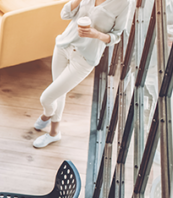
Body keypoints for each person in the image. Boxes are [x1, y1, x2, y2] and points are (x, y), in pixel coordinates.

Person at [33, 0, 131, 148]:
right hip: (64, 45)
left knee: (47, 98)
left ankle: (47, 114)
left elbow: (116, 36)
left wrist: (96, 34)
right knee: (59, 93)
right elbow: (65, 14)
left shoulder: (124, 3)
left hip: (85, 58)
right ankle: (54, 133)